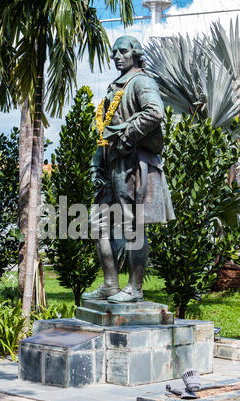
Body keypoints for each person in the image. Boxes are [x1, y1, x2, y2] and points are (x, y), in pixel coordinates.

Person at [82, 35, 175, 303]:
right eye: (114, 53)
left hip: (132, 164)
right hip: (111, 165)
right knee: (97, 222)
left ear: (135, 53)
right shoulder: (116, 86)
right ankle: (110, 284)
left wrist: (127, 135)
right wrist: (96, 165)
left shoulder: (141, 81)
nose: (117, 57)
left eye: (122, 51)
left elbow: (154, 112)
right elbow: (104, 132)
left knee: (133, 226)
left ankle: (134, 288)